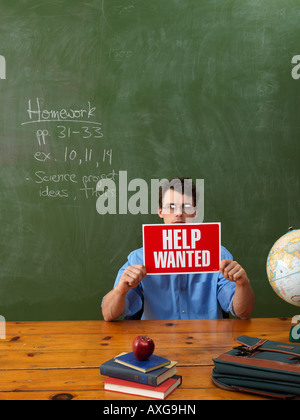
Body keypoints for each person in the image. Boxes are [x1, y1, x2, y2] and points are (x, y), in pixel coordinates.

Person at [102, 177, 254, 321]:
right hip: (156, 342)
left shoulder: (218, 254)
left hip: (209, 341)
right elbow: (108, 315)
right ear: (160, 211)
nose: (179, 213)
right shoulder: (139, 258)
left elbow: (243, 312)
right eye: (171, 207)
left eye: (186, 207)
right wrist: (120, 291)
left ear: (195, 212)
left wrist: (243, 284)